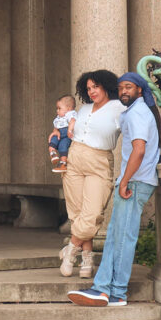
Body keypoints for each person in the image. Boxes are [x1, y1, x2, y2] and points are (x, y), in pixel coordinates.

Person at [68, 72, 161, 307]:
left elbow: (139, 149)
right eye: (121, 88)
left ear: (140, 90)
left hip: (134, 182)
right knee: (116, 237)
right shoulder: (133, 111)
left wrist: (124, 181)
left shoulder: (138, 112)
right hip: (134, 180)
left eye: (129, 87)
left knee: (121, 239)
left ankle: (113, 292)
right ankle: (105, 290)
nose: (123, 92)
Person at [59, 70, 125, 280]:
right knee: (77, 213)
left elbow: (134, 131)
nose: (92, 91)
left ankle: (70, 249)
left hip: (99, 161)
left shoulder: (119, 108)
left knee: (92, 213)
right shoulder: (83, 109)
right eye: (88, 88)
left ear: (106, 85)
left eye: (96, 86)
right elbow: (64, 128)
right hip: (74, 158)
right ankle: (87, 258)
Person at [47, 95, 78, 173]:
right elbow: (56, 126)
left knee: (63, 146)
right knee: (52, 141)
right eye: (57, 108)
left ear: (68, 108)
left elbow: (73, 121)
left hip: (66, 135)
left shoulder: (71, 114)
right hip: (59, 134)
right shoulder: (58, 117)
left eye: (59, 108)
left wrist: (69, 130)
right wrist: (55, 130)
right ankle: (53, 154)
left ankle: (63, 164)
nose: (57, 110)